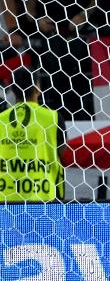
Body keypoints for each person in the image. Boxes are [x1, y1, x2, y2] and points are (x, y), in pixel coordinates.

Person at [0, 68, 65, 202]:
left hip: (5, 199)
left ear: (12, 90)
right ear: (37, 87)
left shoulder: (1, 119)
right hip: (43, 197)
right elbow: (62, 150)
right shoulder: (53, 117)